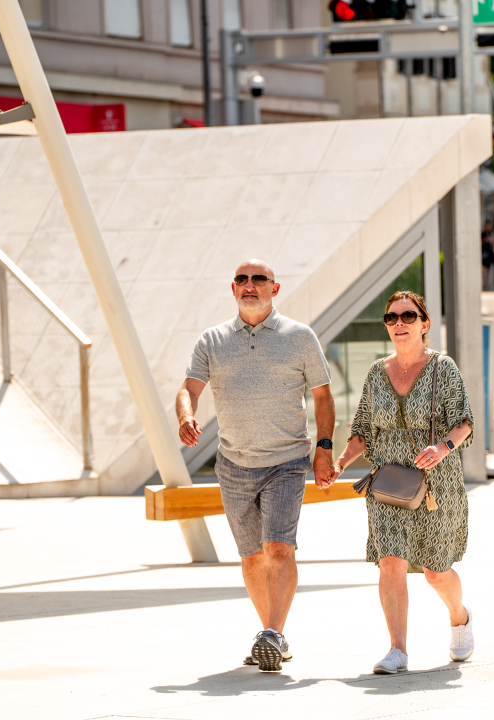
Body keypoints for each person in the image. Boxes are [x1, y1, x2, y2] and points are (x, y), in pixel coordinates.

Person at [176, 259, 336, 672]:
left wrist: (323, 448)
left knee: (279, 548)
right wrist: (186, 415)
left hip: (286, 459)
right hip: (233, 463)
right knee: (251, 558)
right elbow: (189, 388)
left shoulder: (299, 337)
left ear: (275, 288)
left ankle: (272, 635)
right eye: (242, 280)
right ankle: (271, 635)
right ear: (233, 288)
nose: (250, 286)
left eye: (258, 279)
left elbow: (322, 396)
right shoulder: (212, 340)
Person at [322, 290, 475, 674]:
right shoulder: (377, 373)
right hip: (389, 485)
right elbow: (362, 430)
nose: (400, 324)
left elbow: (465, 422)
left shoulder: (444, 368)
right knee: (390, 561)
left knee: (435, 571)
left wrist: (441, 448)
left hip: (437, 486)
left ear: (425, 324)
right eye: (392, 318)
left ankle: (459, 616)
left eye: (408, 316)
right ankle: (398, 650)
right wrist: (340, 461)